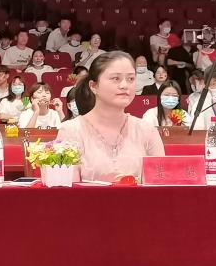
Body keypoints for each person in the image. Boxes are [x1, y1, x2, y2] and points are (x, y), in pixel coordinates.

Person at [57, 51, 165, 182]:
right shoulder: (70, 131)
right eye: (116, 79)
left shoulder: (147, 130)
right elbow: (66, 188)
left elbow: (160, 183)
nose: (124, 85)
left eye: (131, 79)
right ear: (93, 86)